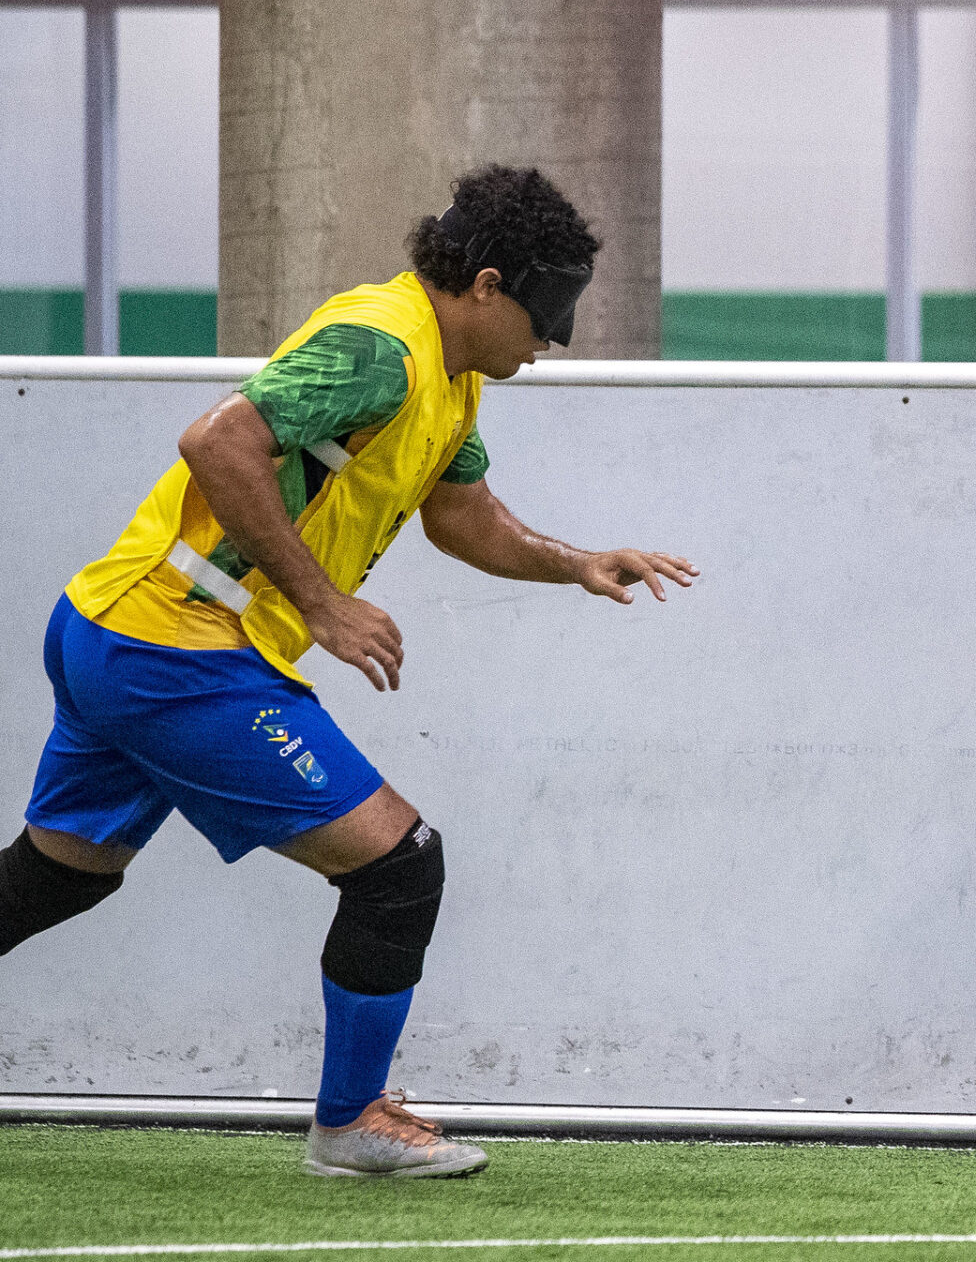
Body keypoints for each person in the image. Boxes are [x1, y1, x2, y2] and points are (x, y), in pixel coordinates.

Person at [0, 164, 697, 1178]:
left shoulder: (449, 381)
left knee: (59, 878)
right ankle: (351, 1119)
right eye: (550, 313)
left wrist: (576, 560)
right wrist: (323, 605)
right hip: (171, 643)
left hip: (118, 629)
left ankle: (352, 1113)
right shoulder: (383, 347)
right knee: (398, 864)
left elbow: (465, 517)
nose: (556, 340)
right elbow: (216, 441)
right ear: (489, 284)